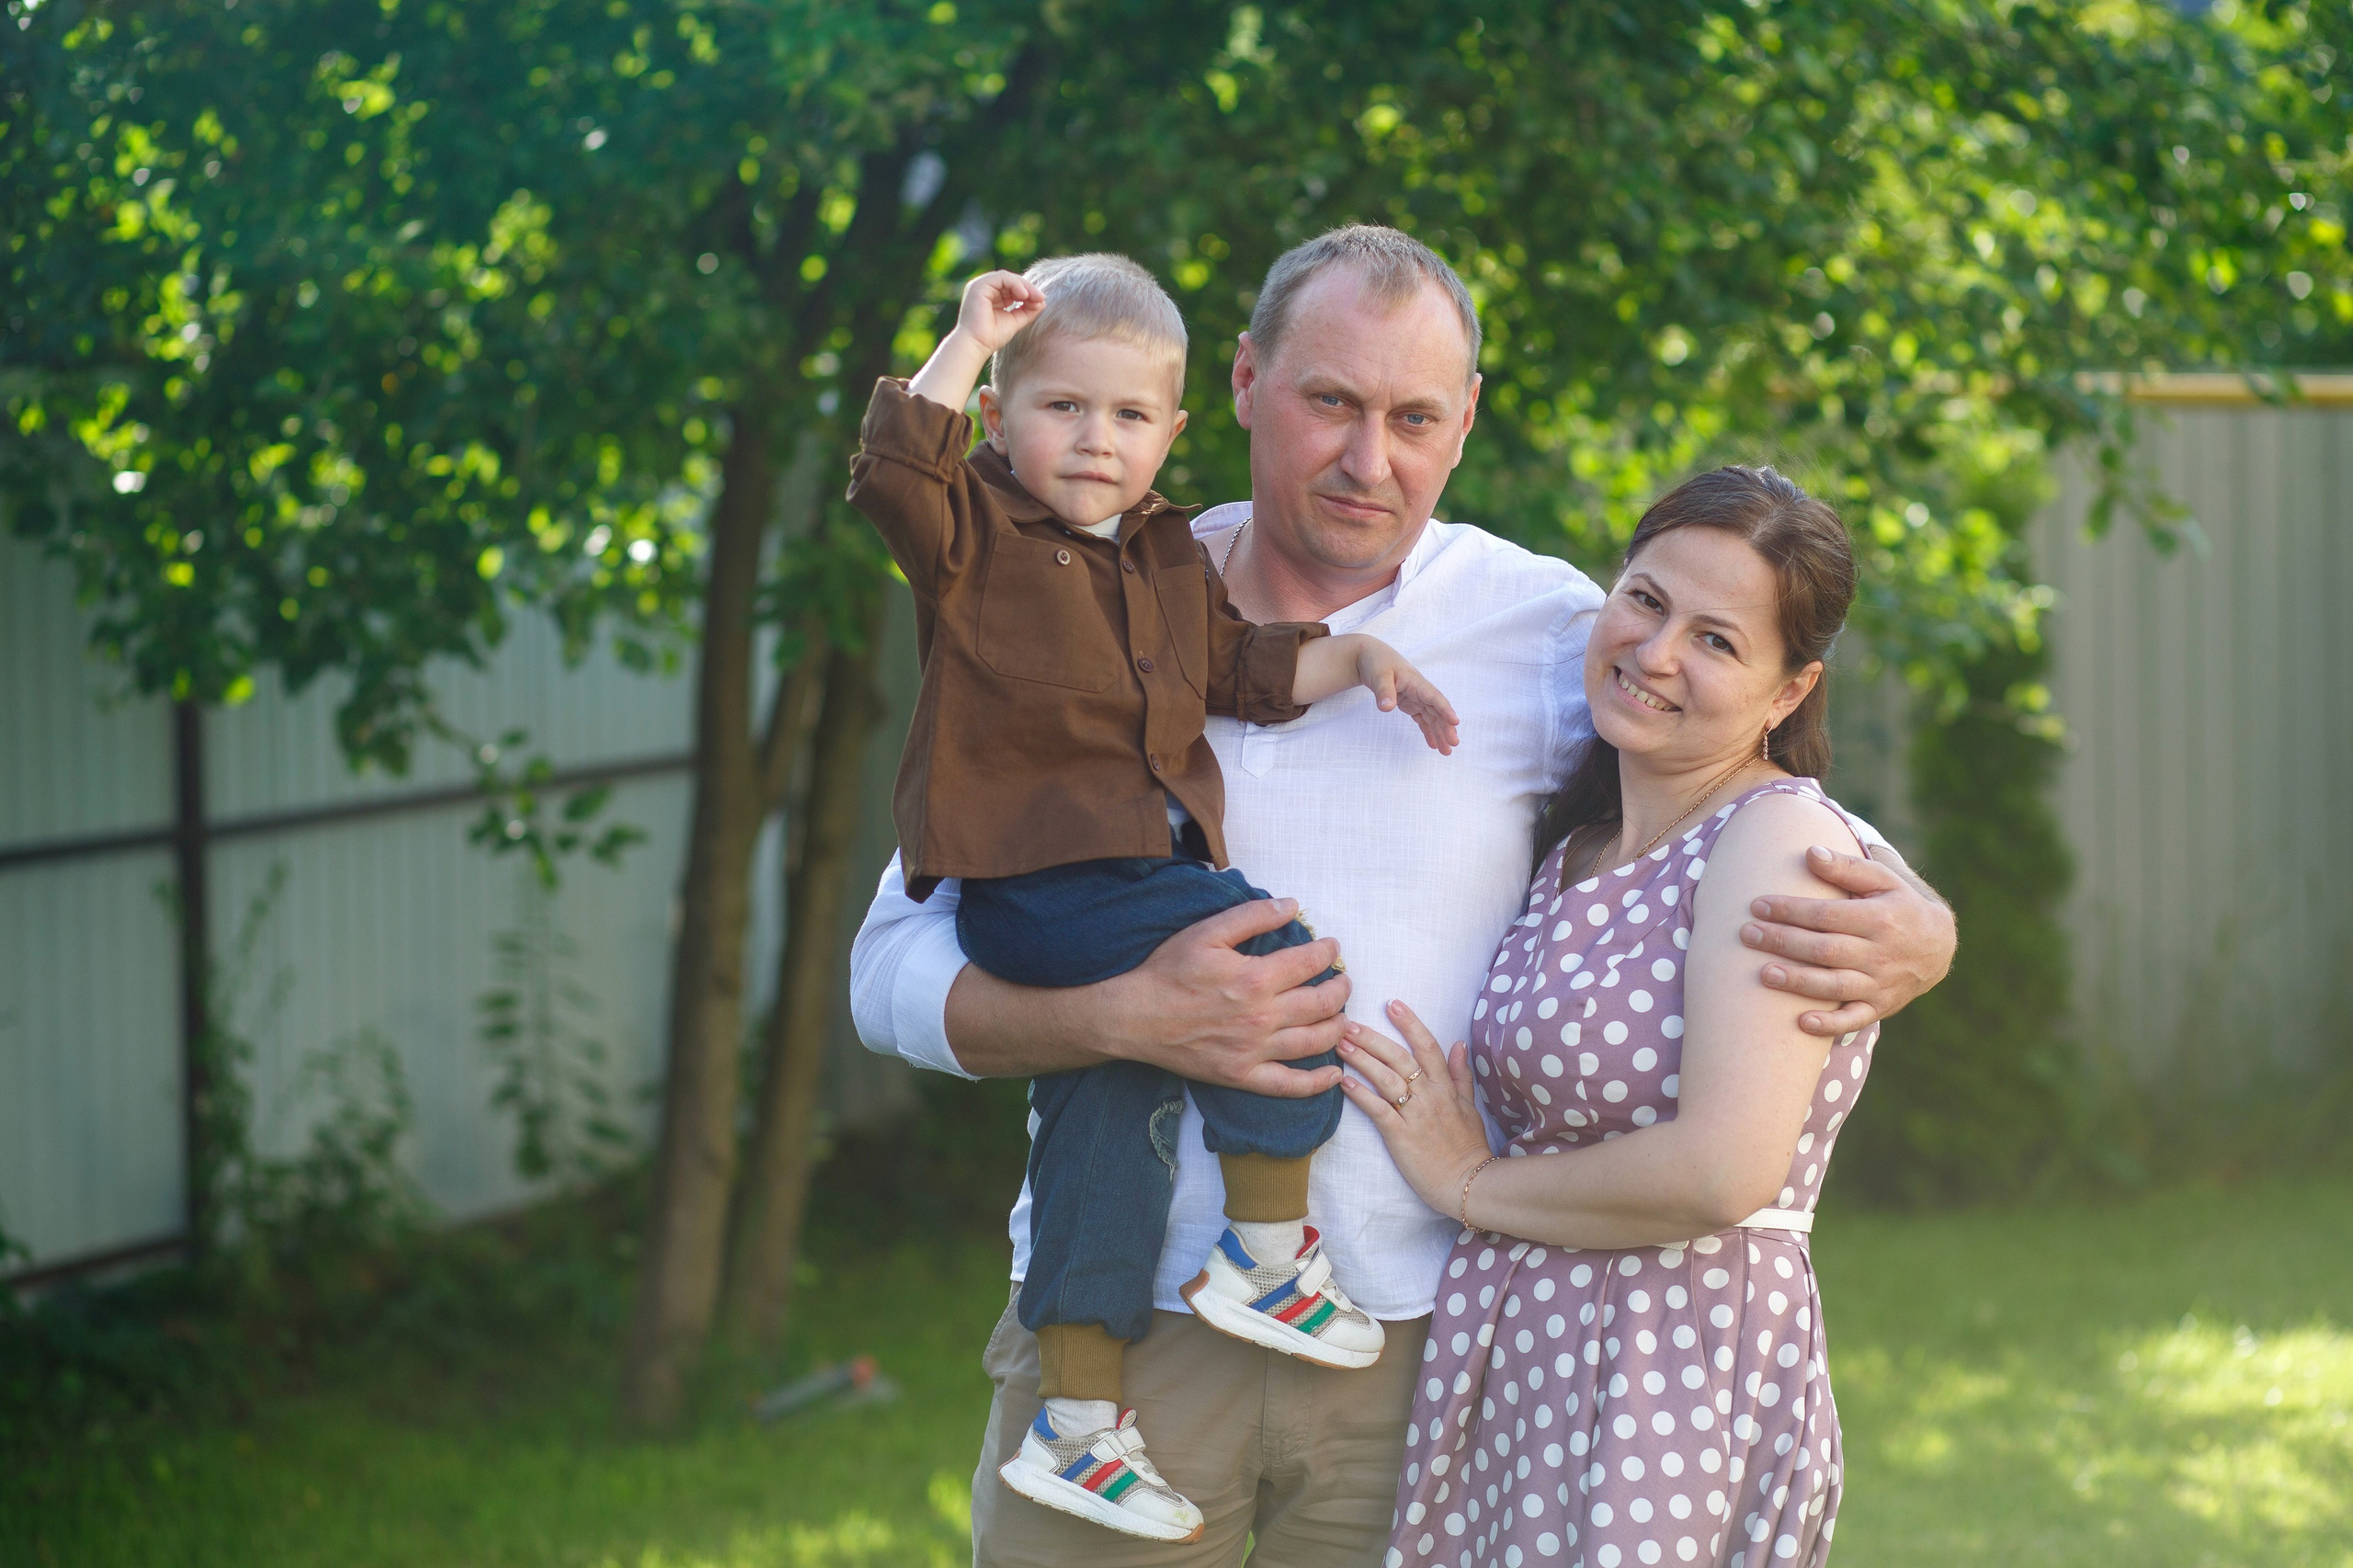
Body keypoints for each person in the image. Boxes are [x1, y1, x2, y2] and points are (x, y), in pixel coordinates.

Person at [851, 224, 1958, 1568]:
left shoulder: (1548, 633)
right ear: (1250, 382)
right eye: (1330, 401)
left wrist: (1924, 921)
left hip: (1434, 1355)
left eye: (1413, 416)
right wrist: (1130, 1015)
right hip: (1124, 1347)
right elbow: (890, 971)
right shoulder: (1077, 598)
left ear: (1466, 421)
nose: (1369, 459)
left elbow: (1754, 783)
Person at [846, 252, 1461, 1544]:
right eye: (1062, 407)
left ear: (1171, 429)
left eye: (1127, 417)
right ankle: (1266, 1251)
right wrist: (964, 341)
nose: (1094, 439)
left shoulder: (1174, 560)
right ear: (1003, 418)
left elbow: (1238, 670)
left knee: (1105, 1130)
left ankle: (1079, 1426)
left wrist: (1352, 661)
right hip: (1048, 888)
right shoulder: (975, 537)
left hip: (1410, 1330)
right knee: (1282, 966)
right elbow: (897, 475)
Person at [1337, 466, 1878, 1568]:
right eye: (1644, 599)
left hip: (1669, 1371)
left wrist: (1468, 1183)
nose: (1658, 650)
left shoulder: (1772, 841)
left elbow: (1721, 1169)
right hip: (1525, 1361)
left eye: (1719, 640)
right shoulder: (1577, 845)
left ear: (1789, 690)